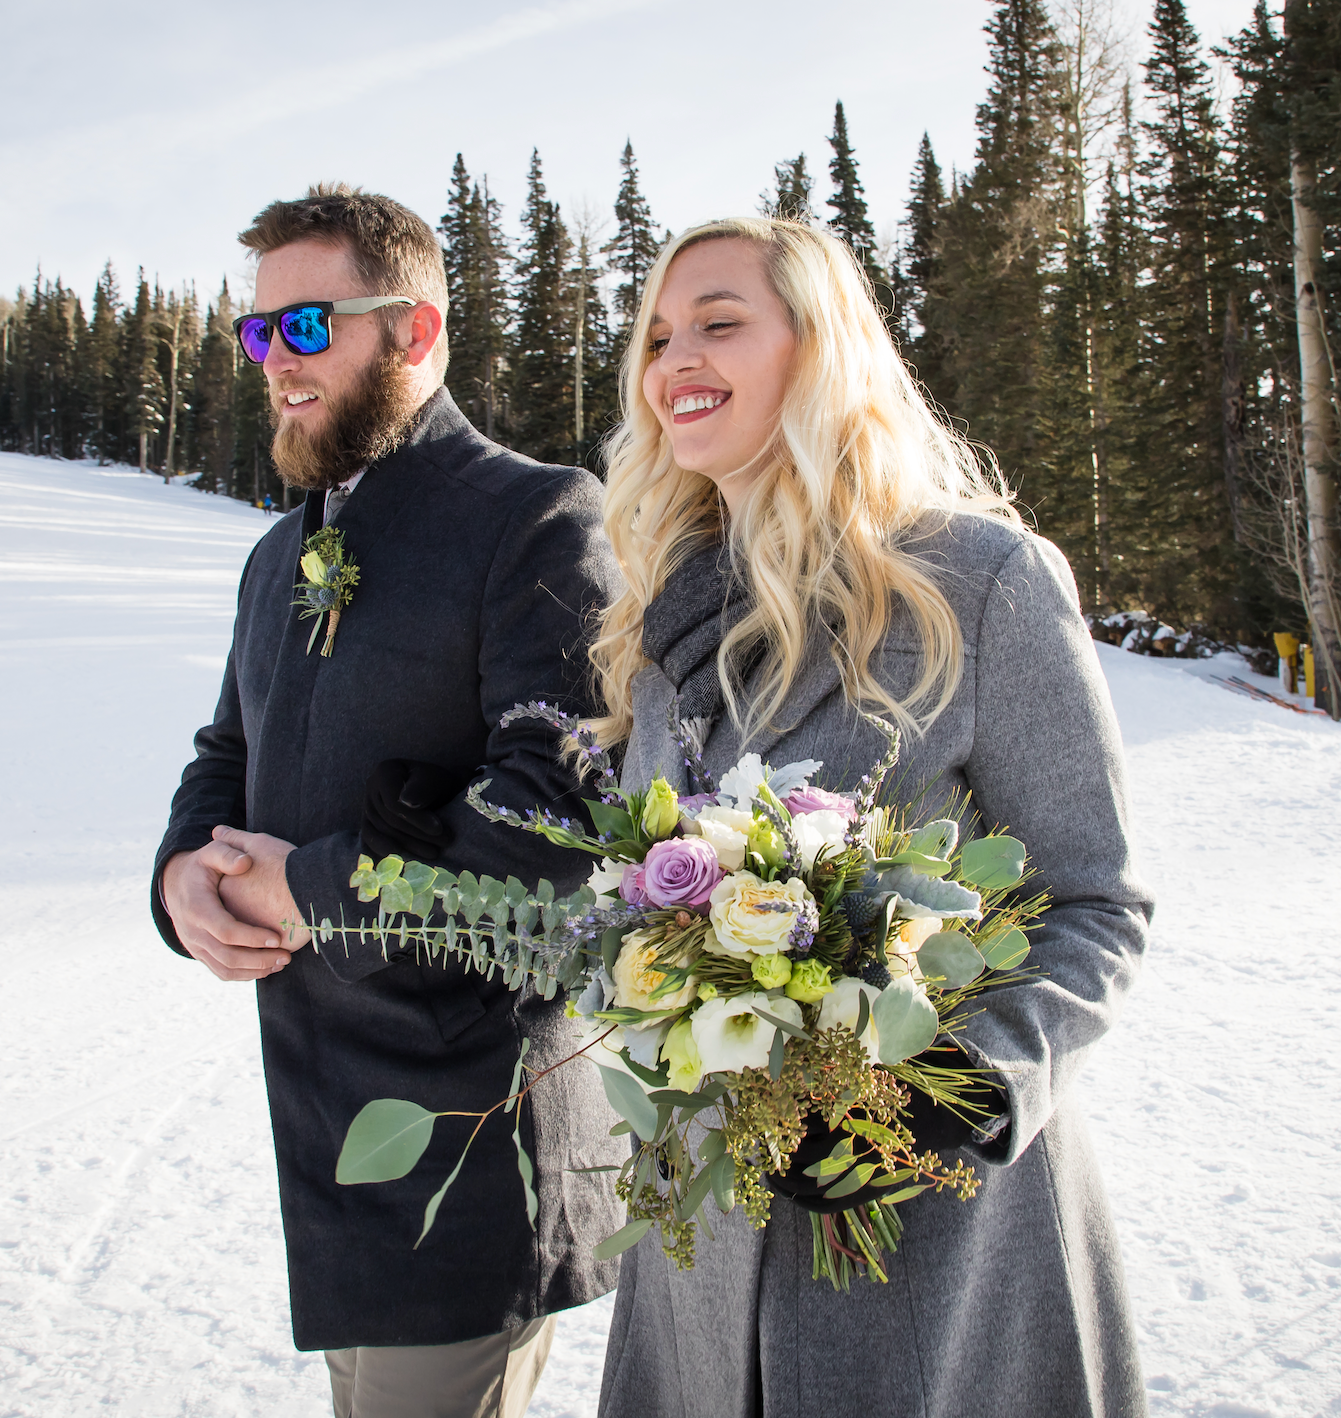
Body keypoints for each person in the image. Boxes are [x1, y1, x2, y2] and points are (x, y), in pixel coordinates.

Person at [586, 216, 1154, 1416]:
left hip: (934, 1253)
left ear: (820, 345)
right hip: (701, 1245)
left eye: (720, 323)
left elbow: (1094, 901)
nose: (674, 357)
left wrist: (948, 1092)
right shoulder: (658, 616)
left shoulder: (974, 582)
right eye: (656, 335)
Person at [150, 184, 623, 1418]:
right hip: (323, 1123)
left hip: (469, 1123)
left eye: (306, 327)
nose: (274, 362)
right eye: (258, 334)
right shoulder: (274, 553)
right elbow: (225, 749)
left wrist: (306, 888)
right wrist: (180, 876)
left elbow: (554, 813)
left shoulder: (535, 515)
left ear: (413, 332)